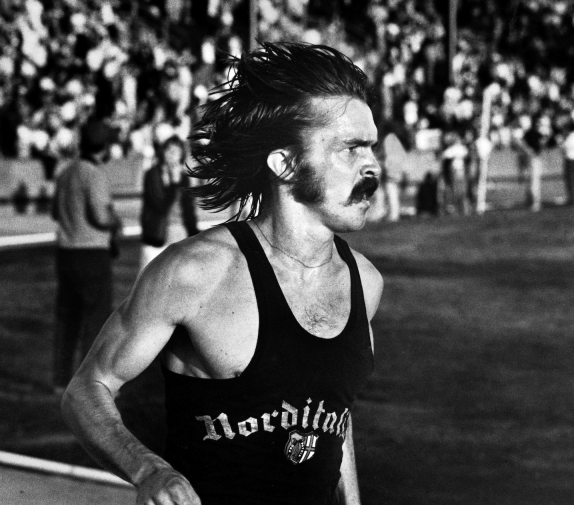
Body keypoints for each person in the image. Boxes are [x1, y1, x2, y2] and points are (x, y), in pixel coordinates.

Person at [62, 42, 383, 505]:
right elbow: (86, 389)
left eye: (371, 147)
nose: (372, 166)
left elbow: (332, 414)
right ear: (285, 164)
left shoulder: (365, 283)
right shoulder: (195, 273)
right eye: (351, 149)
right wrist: (149, 470)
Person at [52, 119, 122, 394]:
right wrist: (116, 221)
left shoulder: (66, 171)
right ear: (103, 146)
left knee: (67, 318)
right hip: (92, 253)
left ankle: (60, 380)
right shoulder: (95, 173)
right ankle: (88, 384)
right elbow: (100, 216)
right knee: (95, 319)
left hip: (65, 253)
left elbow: (55, 213)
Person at [139, 135, 199, 271]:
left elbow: (188, 210)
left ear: (181, 155)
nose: (172, 154)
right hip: (157, 235)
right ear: (163, 152)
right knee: (152, 277)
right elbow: (160, 206)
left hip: (179, 233)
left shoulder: (183, 178)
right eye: (169, 150)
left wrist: (195, 234)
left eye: (177, 151)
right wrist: (174, 184)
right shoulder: (153, 174)